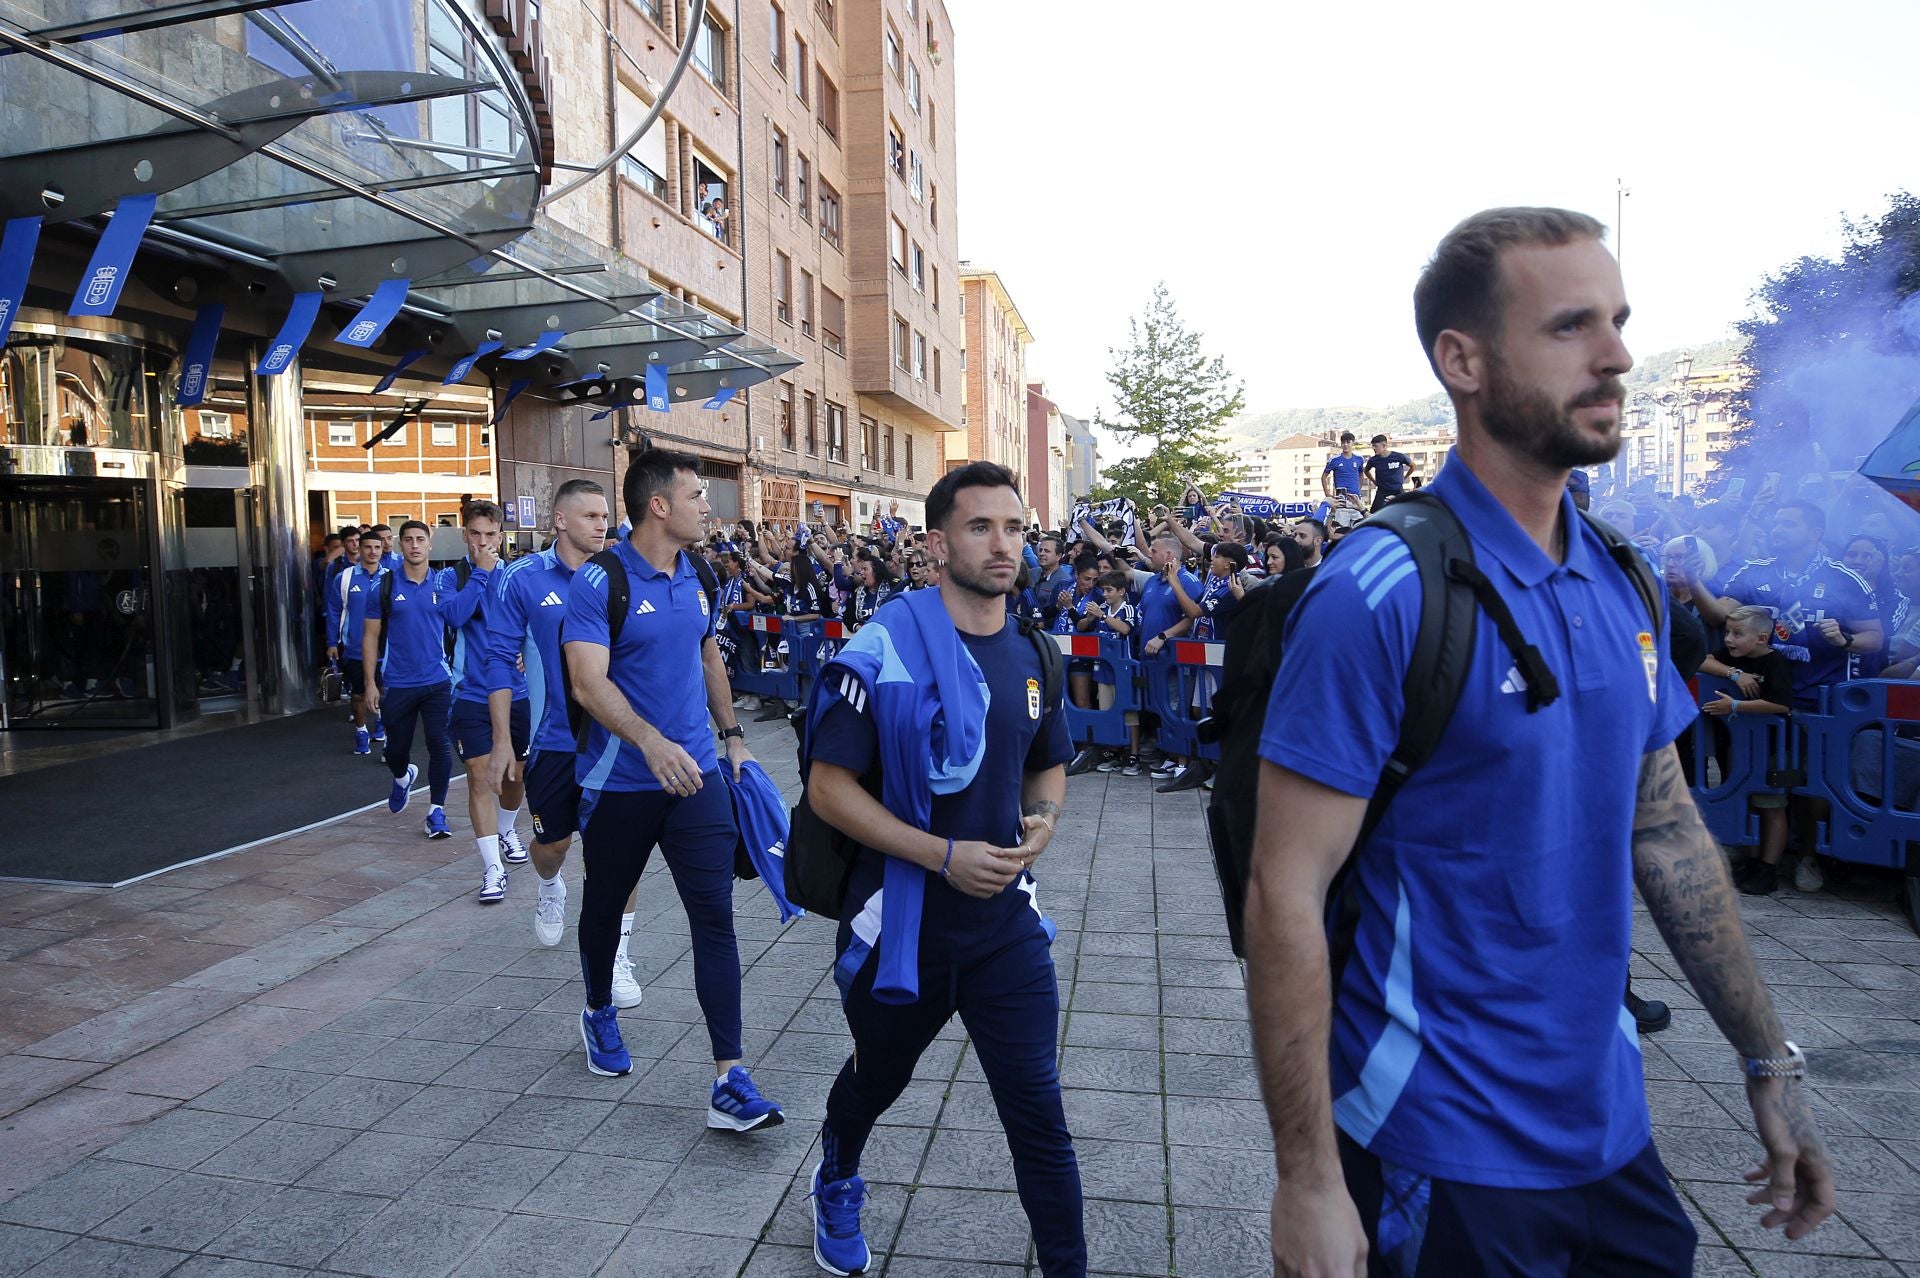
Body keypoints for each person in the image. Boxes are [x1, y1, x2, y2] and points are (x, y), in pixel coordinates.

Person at [1246, 207, 1833, 1276]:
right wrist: (1309, 1180)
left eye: (1616, 321)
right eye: (1570, 328)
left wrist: (1766, 1062)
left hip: (1611, 1138)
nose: (1616, 357)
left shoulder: (1629, 580)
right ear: (1461, 361)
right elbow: (1284, 890)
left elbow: (1668, 836)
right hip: (1438, 1143)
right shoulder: (1378, 594)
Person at [803, 460, 1083, 1277]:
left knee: (1039, 1115)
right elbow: (827, 788)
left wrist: (1045, 822)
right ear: (936, 543)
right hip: (903, 929)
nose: (1004, 546)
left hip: (1004, 931)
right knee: (876, 1082)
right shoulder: (883, 647)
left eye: (1016, 529)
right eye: (981, 527)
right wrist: (943, 857)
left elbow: (1048, 764)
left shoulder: (1034, 649)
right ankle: (838, 1173)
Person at [563, 451, 782, 1133]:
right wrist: (650, 742)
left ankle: (730, 1078)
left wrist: (733, 734)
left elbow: (707, 652)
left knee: (714, 918)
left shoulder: (701, 574)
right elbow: (586, 682)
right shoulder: (600, 581)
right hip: (620, 780)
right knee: (603, 911)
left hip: (698, 779)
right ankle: (598, 1007)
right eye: (696, 494)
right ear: (659, 505)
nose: (706, 505)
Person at [483, 483, 641, 1003]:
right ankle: (549, 887)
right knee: (553, 847)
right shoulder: (522, 578)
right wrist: (504, 741)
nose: (603, 525)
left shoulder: (622, 573)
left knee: (616, 855)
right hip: (553, 742)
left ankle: (618, 957)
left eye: (606, 515)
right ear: (559, 520)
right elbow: (499, 658)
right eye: (591, 515)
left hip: (616, 742)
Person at [441, 501, 528, 902]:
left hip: (517, 693)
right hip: (471, 695)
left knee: (514, 778)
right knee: (479, 777)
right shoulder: (449, 577)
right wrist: (480, 574)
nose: (483, 542)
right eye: (475, 534)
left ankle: (507, 827)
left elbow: (531, 624)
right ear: (464, 535)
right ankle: (492, 868)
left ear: (501, 535)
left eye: (490, 535)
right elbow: (456, 617)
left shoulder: (515, 577)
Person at [362, 522, 456, 840]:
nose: (414, 545)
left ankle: (436, 811)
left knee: (440, 744)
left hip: (438, 680)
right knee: (396, 751)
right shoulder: (384, 587)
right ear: (400, 545)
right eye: (408, 540)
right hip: (398, 682)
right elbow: (371, 637)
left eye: (420, 539)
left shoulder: (444, 584)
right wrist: (371, 684)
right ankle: (403, 777)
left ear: (430, 545)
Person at [1701, 606, 1797, 895]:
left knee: (1771, 805)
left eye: (1737, 634)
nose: (1729, 639)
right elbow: (1702, 660)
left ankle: (1769, 867)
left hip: (1772, 749)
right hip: (1742, 748)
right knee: (1749, 802)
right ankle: (1753, 862)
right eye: (1727, 632)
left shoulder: (1776, 662)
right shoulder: (1733, 656)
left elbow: (1781, 704)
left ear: (1761, 638)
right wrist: (1734, 674)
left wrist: (1734, 706)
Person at [328, 529, 388, 754]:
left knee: (384, 690)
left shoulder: (392, 577)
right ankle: (361, 731)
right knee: (358, 693)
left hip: (384, 649)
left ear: (382, 550)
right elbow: (334, 611)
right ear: (359, 549)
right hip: (354, 647)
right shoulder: (344, 578)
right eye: (368, 547)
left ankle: (382, 723)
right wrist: (332, 642)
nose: (372, 552)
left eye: (377, 547)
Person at [1362, 434, 1418, 512]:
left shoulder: (1399, 456)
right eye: (1372, 446)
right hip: (1382, 491)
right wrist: (1374, 481)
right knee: (1374, 514)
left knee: (1405, 511)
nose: (1373, 448)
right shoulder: (1373, 460)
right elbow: (1366, 471)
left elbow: (1413, 466)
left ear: (1384, 445)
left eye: (1376, 446)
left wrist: (1405, 477)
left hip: (1398, 490)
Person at [1322, 431, 1365, 502]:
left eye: (1348, 442)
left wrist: (1358, 489)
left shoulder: (1359, 459)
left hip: (1356, 497)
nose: (1345, 445)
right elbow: (1324, 476)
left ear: (1353, 443)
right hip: (1341, 497)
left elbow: (1361, 474)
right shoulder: (1334, 460)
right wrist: (1327, 494)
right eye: (1343, 442)